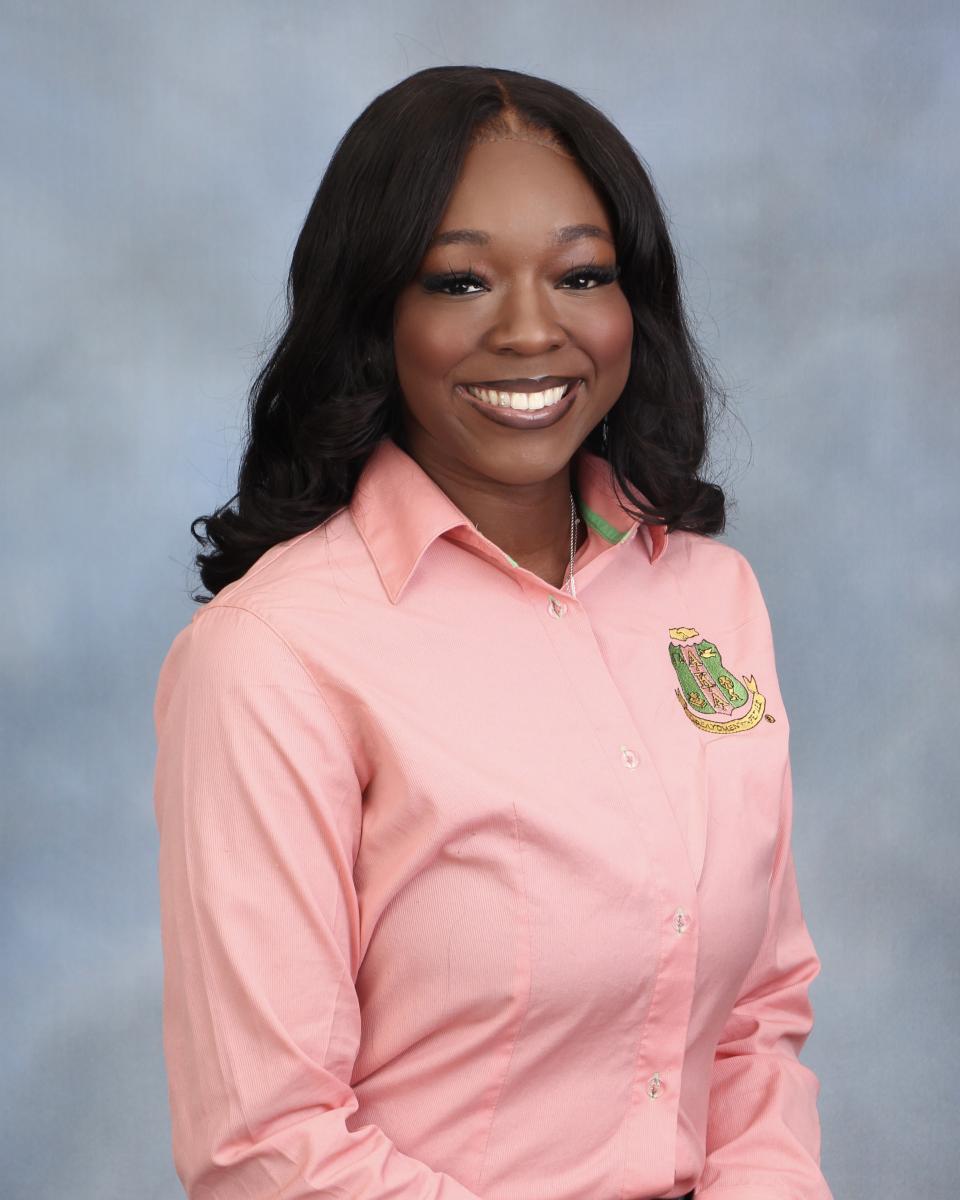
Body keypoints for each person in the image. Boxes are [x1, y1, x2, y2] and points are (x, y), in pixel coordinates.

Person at [152, 66, 832, 1200]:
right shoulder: (271, 656)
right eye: (461, 281)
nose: (531, 330)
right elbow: (266, 1146)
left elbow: (752, 1020)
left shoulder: (711, 600)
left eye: (581, 275)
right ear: (375, 313)